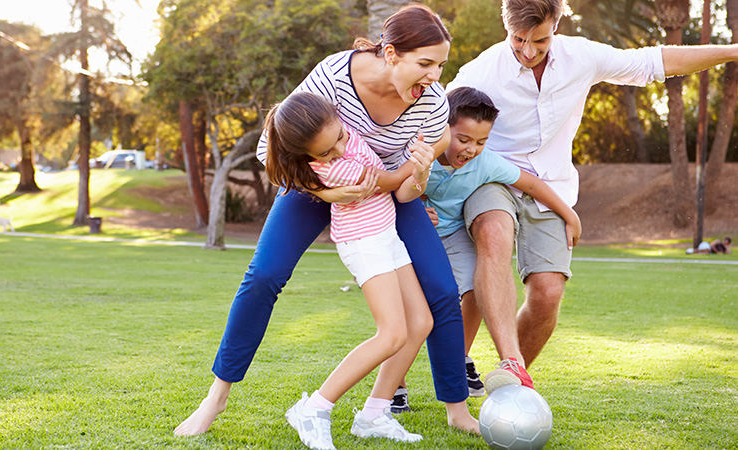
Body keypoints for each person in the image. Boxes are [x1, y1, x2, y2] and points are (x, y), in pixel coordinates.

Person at [175, 3, 480, 438]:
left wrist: (423, 165)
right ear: (391, 54)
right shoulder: (335, 76)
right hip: (312, 185)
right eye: (425, 63)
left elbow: (427, 156)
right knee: (264, 275)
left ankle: (453, 408)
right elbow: (270, 150)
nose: (435, 77)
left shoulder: (429, 100)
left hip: (386, 190)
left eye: (441, 65)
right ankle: (217, 396)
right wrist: (326, 192)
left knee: (442, 290)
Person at [445, 0, 738, 391]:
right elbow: (433, 121)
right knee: (493, 235)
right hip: (493, 179)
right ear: (505, 24)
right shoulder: (480, 72)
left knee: (548, 293)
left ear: (557, 25)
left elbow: (658, 61)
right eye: (518, 40)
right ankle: (511, 363)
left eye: (541, 40)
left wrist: (733, 51)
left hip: (553, 188)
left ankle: (505, 382)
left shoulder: (581, 56)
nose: (529, 51)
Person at [265, 91, 432, 449]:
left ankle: (374, 413)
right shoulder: (335, 168)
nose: (339, 149)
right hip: (364, 242)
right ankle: (315, 407)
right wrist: (421, 157)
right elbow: (387, 181)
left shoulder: (343, 130)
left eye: (339, 137)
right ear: (308, 156)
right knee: (391, 334)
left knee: (421, 323)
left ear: (339, 118)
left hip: (386, 234)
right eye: (325, 152)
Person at [420, 86, 581, 395]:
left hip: (452, 235)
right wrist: (415, 209)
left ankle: (458, 360)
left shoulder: (485, 163)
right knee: (414, 311)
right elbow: (396, 188)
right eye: (463, 140)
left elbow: (531, 183)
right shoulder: (421, 153)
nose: (470, 149)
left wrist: (569, 215)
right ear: (442, 128)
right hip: (419, 237)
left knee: (476, 288)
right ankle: (395, 386)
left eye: (481, 142)